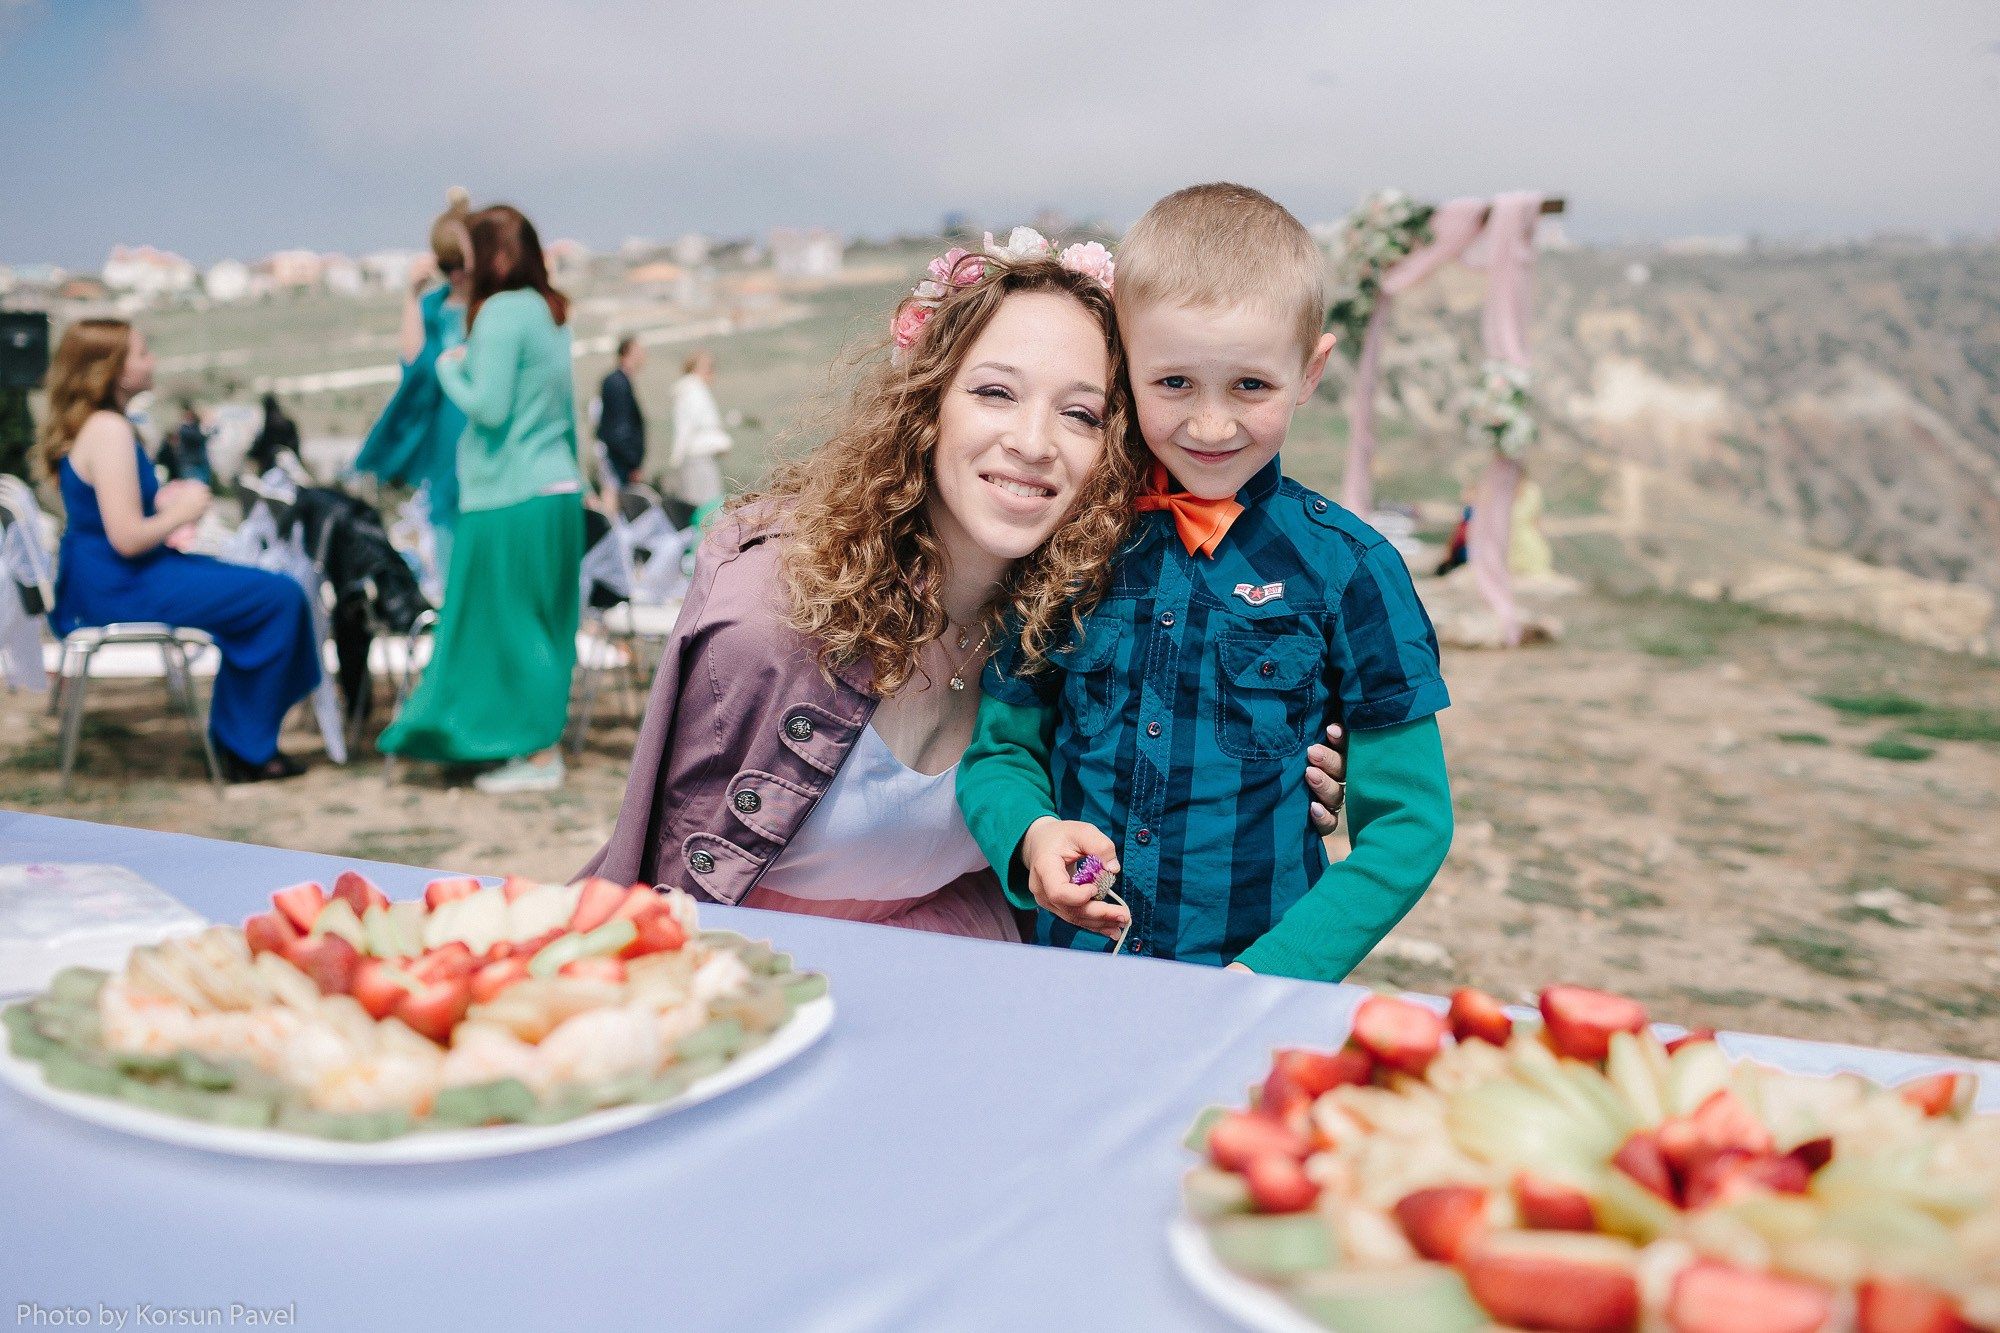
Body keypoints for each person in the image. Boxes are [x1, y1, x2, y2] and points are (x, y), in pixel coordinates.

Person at [582, 232, 1346, 940]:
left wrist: (1267, 771)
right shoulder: (771, 609)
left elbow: (1085, 857)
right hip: (750, 983)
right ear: (927, 404)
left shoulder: (1093, 632)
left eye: (1081, 413)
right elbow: (654, 868)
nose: (1034, 443)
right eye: (995, 393)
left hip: (965, 980)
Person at [957, 185, 1453, 981]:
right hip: (1067, 976)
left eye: (1250, 386)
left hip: (1251, 995)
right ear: (1126, 365)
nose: (1212, 425)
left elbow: (1411, 822)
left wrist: (1280, 969)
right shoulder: (1072, 541)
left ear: (1310, 370)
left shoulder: (1354, 571)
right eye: (1175, 383)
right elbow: (1001, 752)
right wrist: (1034, 835)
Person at [41, 320, 320, 781]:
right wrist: (183, 511)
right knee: (279, 597)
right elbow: (127, 537)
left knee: (261, 589)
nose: (152, 362)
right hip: (123, 584)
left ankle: (241, 738)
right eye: (142, 353)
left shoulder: (95, 426)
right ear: (111, 368)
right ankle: (245, 747)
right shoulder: (109, 430)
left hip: (111, 576)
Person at [377, 204, 585, 794]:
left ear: (492, 255)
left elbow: (489, 408)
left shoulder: (498, 312)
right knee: (544, 624)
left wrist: (447, 367)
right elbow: (563, 411)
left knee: (507, 628)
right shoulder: (550, 314)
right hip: (556, 488)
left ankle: (537, 755)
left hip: (508, 496)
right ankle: (527, 744)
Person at [354, 187, 472, 579]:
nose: (455, 272)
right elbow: (412, 363)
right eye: (447, 262)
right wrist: (410, 295)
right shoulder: (433, 305)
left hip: (475, 426)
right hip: (444, 434)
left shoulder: (488, 304)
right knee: (445, 521)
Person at [669, 350, 730, 508]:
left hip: (695, 455)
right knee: (708, 503)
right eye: (707, 368)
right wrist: (677, 456)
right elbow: (686, 426)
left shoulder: (691, 390)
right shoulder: (694, 392)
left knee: (698, 501)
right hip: (699, 457)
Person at [596, 336, 647, 489]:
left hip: (616, 455)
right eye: (639, 351)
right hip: (618, 458)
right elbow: (621, 427)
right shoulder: (618, 383)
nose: (643, 356)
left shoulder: (616, 381)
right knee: (616, 498)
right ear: (627, 353)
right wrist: (632, 462)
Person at [246, 392, 302, 478]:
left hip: (274, 462)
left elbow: (264, 443)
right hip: (288, 461)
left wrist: (252, 454)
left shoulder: (270, 424)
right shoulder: (287, 421)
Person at [163, 403, 213, 486]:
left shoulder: (195, 427)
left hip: (199, 463)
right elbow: (198, 438)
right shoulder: (184, 429)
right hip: (190, 465)